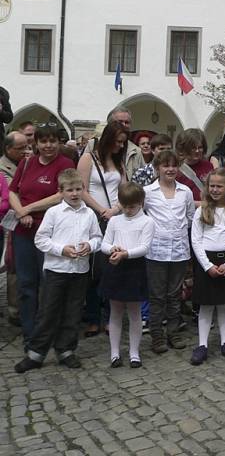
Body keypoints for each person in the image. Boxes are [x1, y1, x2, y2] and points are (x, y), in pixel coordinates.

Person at [14, 169, 102, 373]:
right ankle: (36, 353)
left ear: (83, 190)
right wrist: (62, 250)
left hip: (80, 270)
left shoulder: (89, 213)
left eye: (78, 189)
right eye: (70, 190)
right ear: (60, 191)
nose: (74, 194)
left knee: (73, 311)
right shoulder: (53, 213)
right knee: (48, 312)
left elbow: (97, 237)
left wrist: (90, 245)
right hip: (56, 270)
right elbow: (41, 239)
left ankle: (66, 350)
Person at [9, 123, 76, 347]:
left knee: (50, 286)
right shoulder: (27, 163)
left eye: (52, 141)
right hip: (23, 233)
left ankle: (48, 334)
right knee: (26, 285)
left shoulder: (65, 164)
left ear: (58, 142)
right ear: (35, 143)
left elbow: (60, 196)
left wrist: (28, 209)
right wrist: (20, 212)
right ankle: (30, 335)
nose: (48, 145)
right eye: (43, 141)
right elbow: (12, 191)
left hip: (51, 235)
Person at [189, 168, 225, 365]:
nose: (215, 189)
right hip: (207, 261)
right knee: (206, 304)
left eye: (219, 186)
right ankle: (202, 345)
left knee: (224, 304)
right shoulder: (201, 211)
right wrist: (207, 266)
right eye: (212, 186)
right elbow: (196, 240)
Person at [77, 120, 128, 336]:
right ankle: (92, 316)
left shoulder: (119, 162)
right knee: (94, 270)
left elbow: (125, 190)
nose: (120, 146)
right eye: (117, 141)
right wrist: (101, 210)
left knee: (113, 268)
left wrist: (115, 209)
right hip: (95, 217)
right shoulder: (88, 159)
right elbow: (82, 189)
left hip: (115, 218)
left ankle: (110, 316)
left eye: (123, 143)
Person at [143, 150, 195, 354]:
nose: (171, 169)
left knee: (174, 295)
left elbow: (190, 217)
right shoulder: (148, 192)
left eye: (174, 165)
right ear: (157, 169)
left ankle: (173, 332)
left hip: (179, 251)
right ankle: (157, 335)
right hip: (156, 251)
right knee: (157, 296)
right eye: (166, 165)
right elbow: (142, 216)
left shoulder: (185, 192)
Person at [99, 182, 154, 368]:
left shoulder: (147, 221)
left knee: (135, 313)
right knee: (115, 312)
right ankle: (114, 353)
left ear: (141, 203)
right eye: (125, 206)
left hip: (135, 269)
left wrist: (126, 253)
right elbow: (104, 243)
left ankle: (134, 352)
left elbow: (145, 247)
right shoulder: (115, 220)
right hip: (116, 267)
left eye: (133, 206)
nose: (128, 210)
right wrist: (113, 249)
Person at [1, 131, 27, 324]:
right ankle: (15, 310)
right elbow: (12, 192)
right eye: (20, 148)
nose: (25, 151)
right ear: (8, 149)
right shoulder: (3, 167)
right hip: (9, 220)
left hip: (24, 218)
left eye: (27, 146)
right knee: (12, 265)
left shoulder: (27, 162)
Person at [175, 129, 214, 204]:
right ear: (184, 148)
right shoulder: (176, 169)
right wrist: (198, 204)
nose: (197, 151)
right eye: (193, 148)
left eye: (200, 147)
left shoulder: (208, 166)